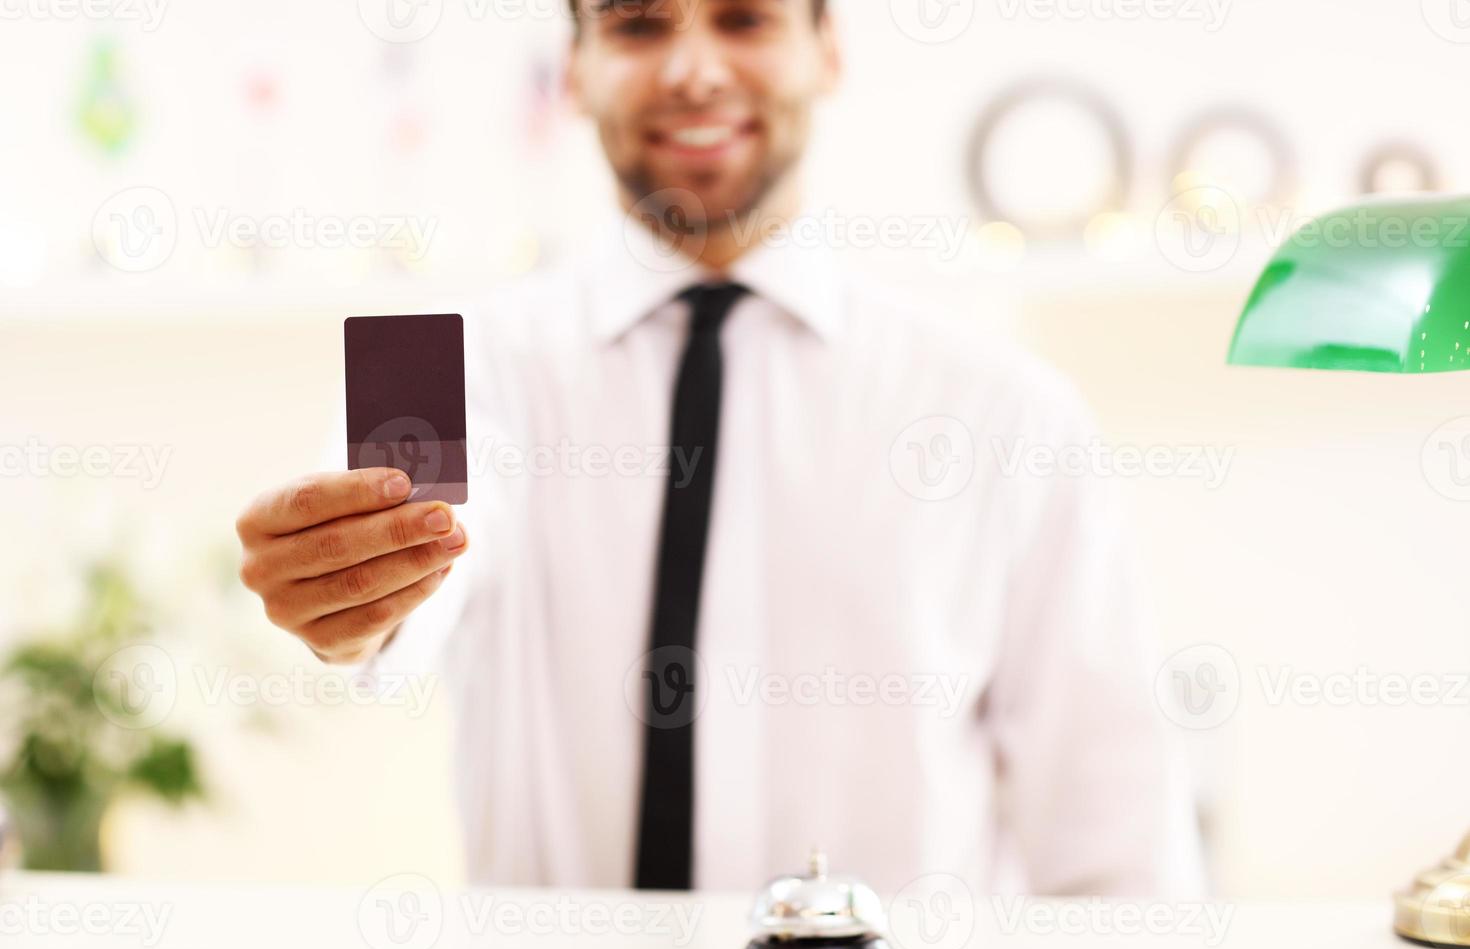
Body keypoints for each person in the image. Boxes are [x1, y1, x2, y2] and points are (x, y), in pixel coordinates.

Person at [235, 0, 1203, 896]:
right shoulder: (464, 366)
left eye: (743, 19)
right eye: (640, 26)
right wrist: (358, 597)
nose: (693, 71)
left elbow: (1116, 846)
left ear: (828, 51)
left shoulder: (1005, 414)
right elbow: (412, 556)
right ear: (573, 70)